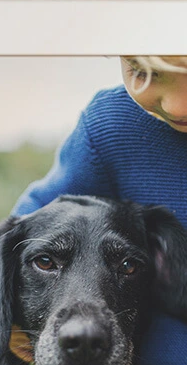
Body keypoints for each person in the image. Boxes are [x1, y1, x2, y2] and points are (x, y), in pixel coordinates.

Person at [9, 56, 187, 365]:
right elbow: (29, 230)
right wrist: (9, 320)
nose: (175, 105)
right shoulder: (114, 127)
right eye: (144, 72)